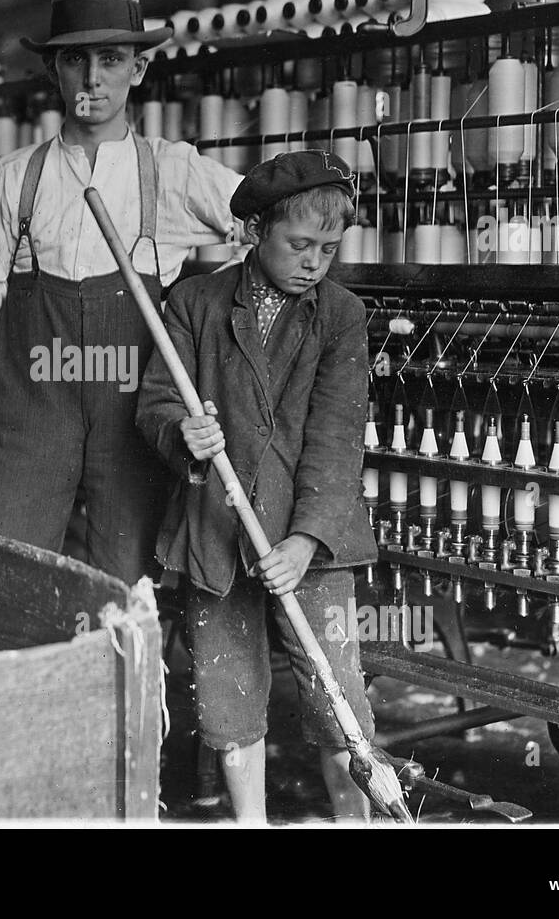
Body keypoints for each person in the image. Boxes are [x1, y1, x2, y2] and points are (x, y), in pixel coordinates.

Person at [0, 0, 243, 585]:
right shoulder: (13, 179)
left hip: (131, 416)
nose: (92, 79)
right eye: (76, 60)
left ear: (139, 67)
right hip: (30, 413)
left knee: (126, 592)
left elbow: (272, 215)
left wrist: (219, 288)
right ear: (54, 68)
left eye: (111, 60)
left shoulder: (171, 171)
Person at [136, 150, 379, 822]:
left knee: (338, 697)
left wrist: (306, 538)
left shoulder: (342, 315)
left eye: (328, 249)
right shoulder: (194, 303)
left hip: (313, 542)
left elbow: (336, 437)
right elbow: (155, 402)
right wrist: (184, 433)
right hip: (217, 528)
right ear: (254, 232)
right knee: (228, 693)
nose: (314, 262)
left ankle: (355, 818)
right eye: (300, 244)